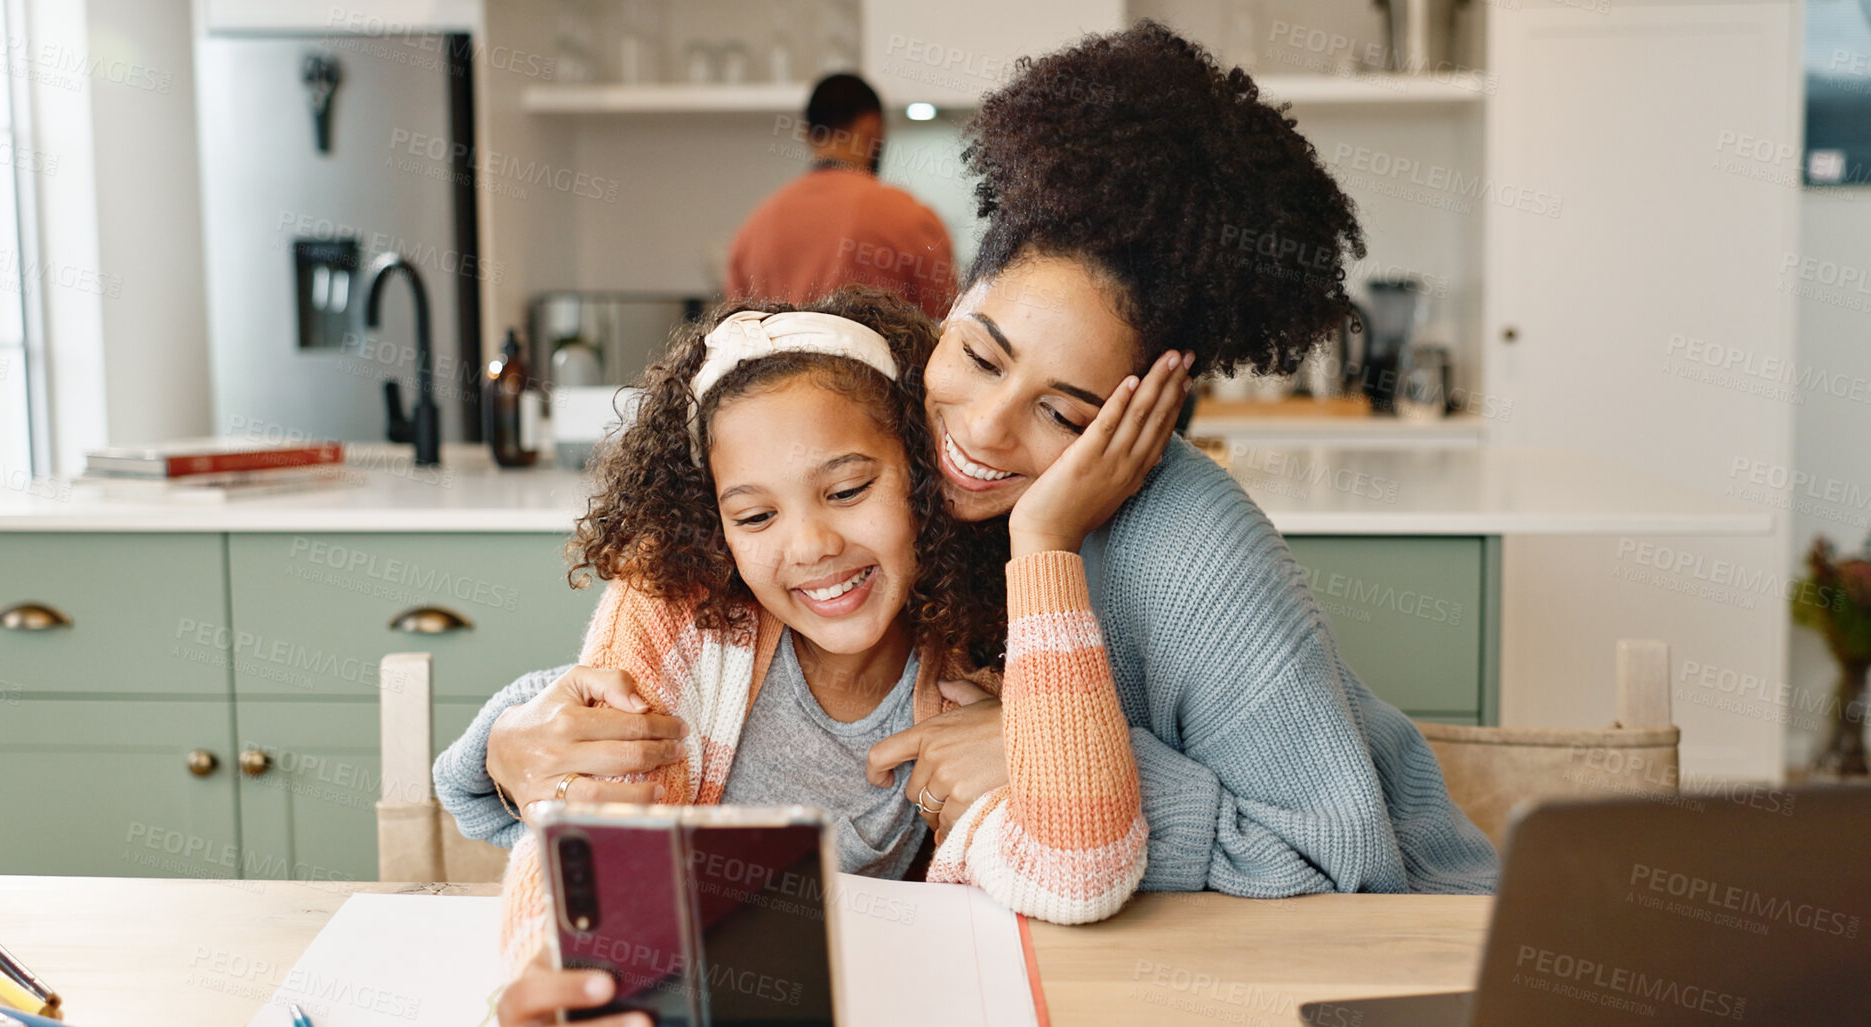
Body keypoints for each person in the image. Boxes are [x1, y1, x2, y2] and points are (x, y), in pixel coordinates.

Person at [459, 21, 1499, 1018]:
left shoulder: (1190, 543)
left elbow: (1342, 868)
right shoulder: (880, 427)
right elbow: (685, 647)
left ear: (1145, 416)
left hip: (1407, 957)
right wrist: (508, 742)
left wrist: (1051, 749)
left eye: (1064, 411)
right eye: (985, 353)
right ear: (949, 306)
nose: (988, 433)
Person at [480, 287, 1184, 1019]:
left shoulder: (983, 648)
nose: (810, 544)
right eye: (755, 515)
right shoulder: (675, 612)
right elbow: (589, 820)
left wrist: (1043, 543)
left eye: (847, 488)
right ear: (715, 526)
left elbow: (1080, 874)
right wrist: (545, 972)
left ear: (921, 475)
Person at [724, 73, 957, 318]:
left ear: (809, 134)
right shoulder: (908, 216)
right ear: (872, 127)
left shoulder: (753, 229)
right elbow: (948, 321)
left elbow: (738, 329)